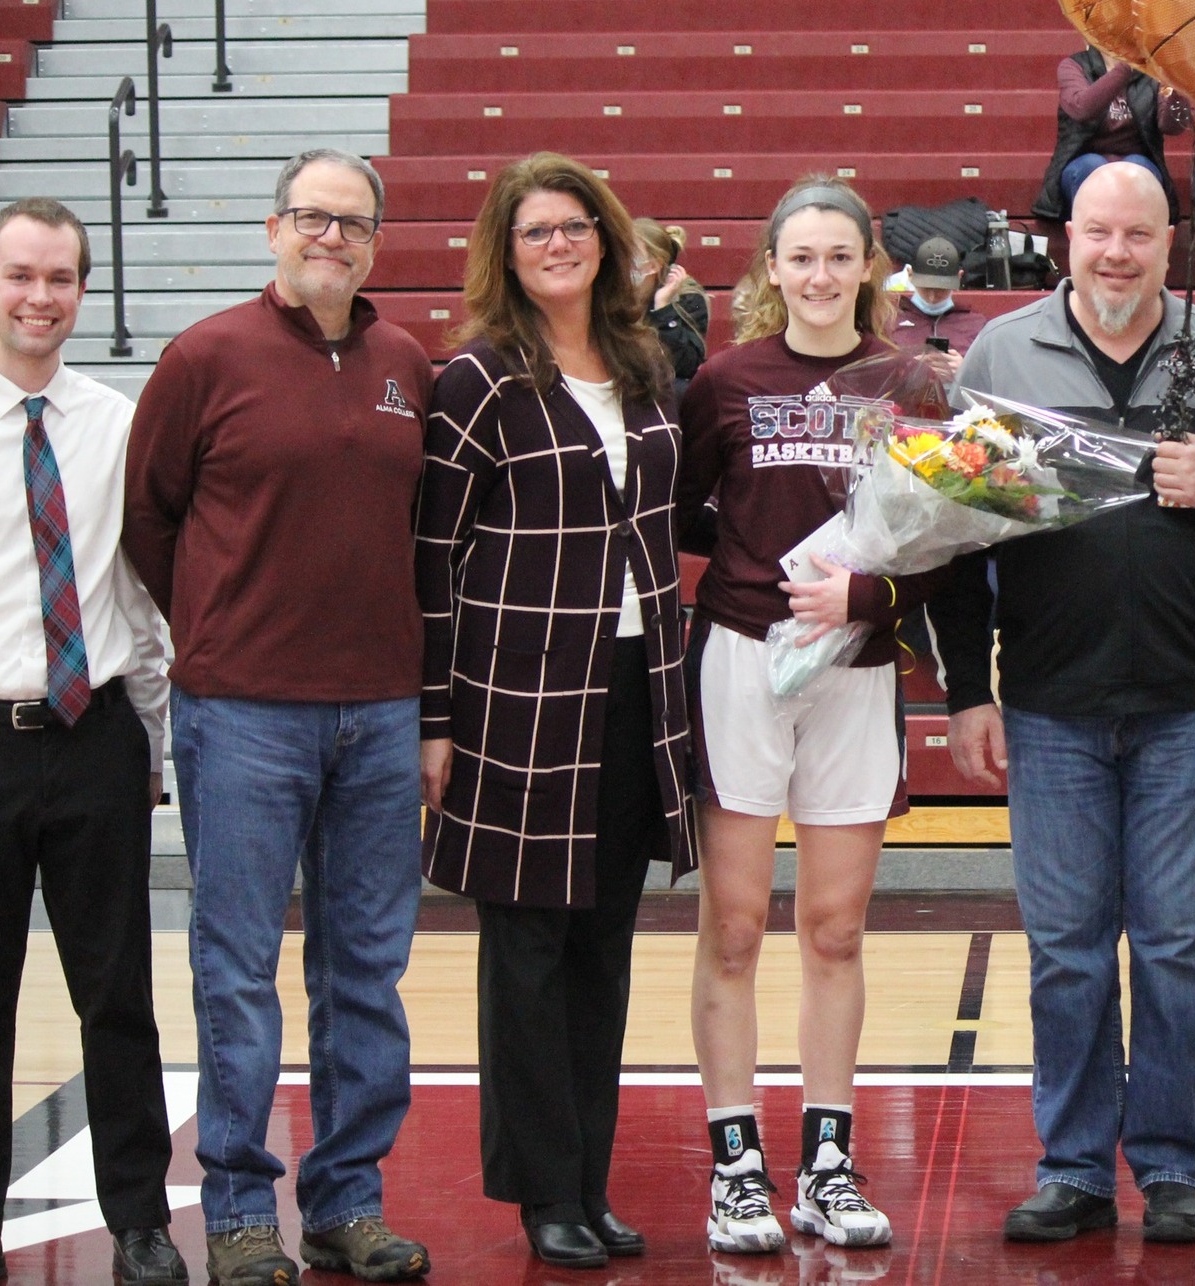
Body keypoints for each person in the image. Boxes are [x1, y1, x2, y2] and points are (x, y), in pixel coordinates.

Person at [932, 161, 1195, 1243]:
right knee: (1068, 945)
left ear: (1168, 242)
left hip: (1186, 700)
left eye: (1136, 234)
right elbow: (950, 536)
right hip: (1047, 701)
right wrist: (963, 690)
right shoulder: (999, 353)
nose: (1116, 253)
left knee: (1178, 942)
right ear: (1064, 239)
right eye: (1097, 234)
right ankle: (1076, 1164)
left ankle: (1173, 1163)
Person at [123, 148, 435, 1286]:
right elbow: (149, 518)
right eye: (311, 217)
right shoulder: (205, 355)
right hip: (242, 714)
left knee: (366, 970)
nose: (330, 238)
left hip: (381, 713)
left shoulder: (409, 361)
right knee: (237, 967)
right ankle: (244, 1210)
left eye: (351, 224)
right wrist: (218, 627)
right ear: (273, 229)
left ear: (374, 244)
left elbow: (424, 533)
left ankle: (350, 1201)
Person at [417, 153, 700, 1270]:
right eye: (536, 231)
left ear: (605, 236)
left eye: (575, 226)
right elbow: (433, 558)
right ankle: (542, 1191)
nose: (559, 245)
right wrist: (433, 716)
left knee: (602, 949)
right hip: (517, 698)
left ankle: (588, 1179)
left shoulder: (642, 364)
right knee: (526, 952)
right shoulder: (477, 380)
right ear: (506, 248)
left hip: (636, 692)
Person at [677, 175, 934, 1257]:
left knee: (833, 926)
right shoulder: (724, 380)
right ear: (770, 270)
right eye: (801, 257)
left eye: (840, 256)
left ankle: (828, 1159)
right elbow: (685, 508)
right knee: (732, 926)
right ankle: (736, 1159)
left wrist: (867, 597)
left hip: (859, 667)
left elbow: (949, 536)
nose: (821, 275)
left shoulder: (912, 381)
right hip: (742, 658)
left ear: (865, 266)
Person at [0, 198, 183, 1286]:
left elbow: (144, 597)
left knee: (116, 992)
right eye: (22, 275)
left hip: (94, 734)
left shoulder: (120, 426)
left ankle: (138, 1217)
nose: (42, 296)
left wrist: (160, 748)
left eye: (62, 277)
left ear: (83, 291)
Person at [1034, 45, 1184, 225]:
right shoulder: (1075, 66)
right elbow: (1082, 108)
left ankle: (1136, 241)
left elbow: (1171, 127)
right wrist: (1126, 67)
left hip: (1136, 163)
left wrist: (1179, 88)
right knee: (1093, 166)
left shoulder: (1153, 72)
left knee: (1138, 168)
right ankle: (1093, 238)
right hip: (1082, 165)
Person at [887, 235, 986, 376]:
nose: (932, 297)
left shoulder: (976, 324)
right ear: (910, 275)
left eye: (941, 288)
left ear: (959, 277)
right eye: (926, 287)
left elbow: (993, 380)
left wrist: (966, 372)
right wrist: (904, 369)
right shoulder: (889, 320)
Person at [633, 217, 709, 396]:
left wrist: (663, 309)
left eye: (629, 253)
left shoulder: (687, 297)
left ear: (653, 266)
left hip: (663, 390)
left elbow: (686, 366)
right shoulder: (609, 294)